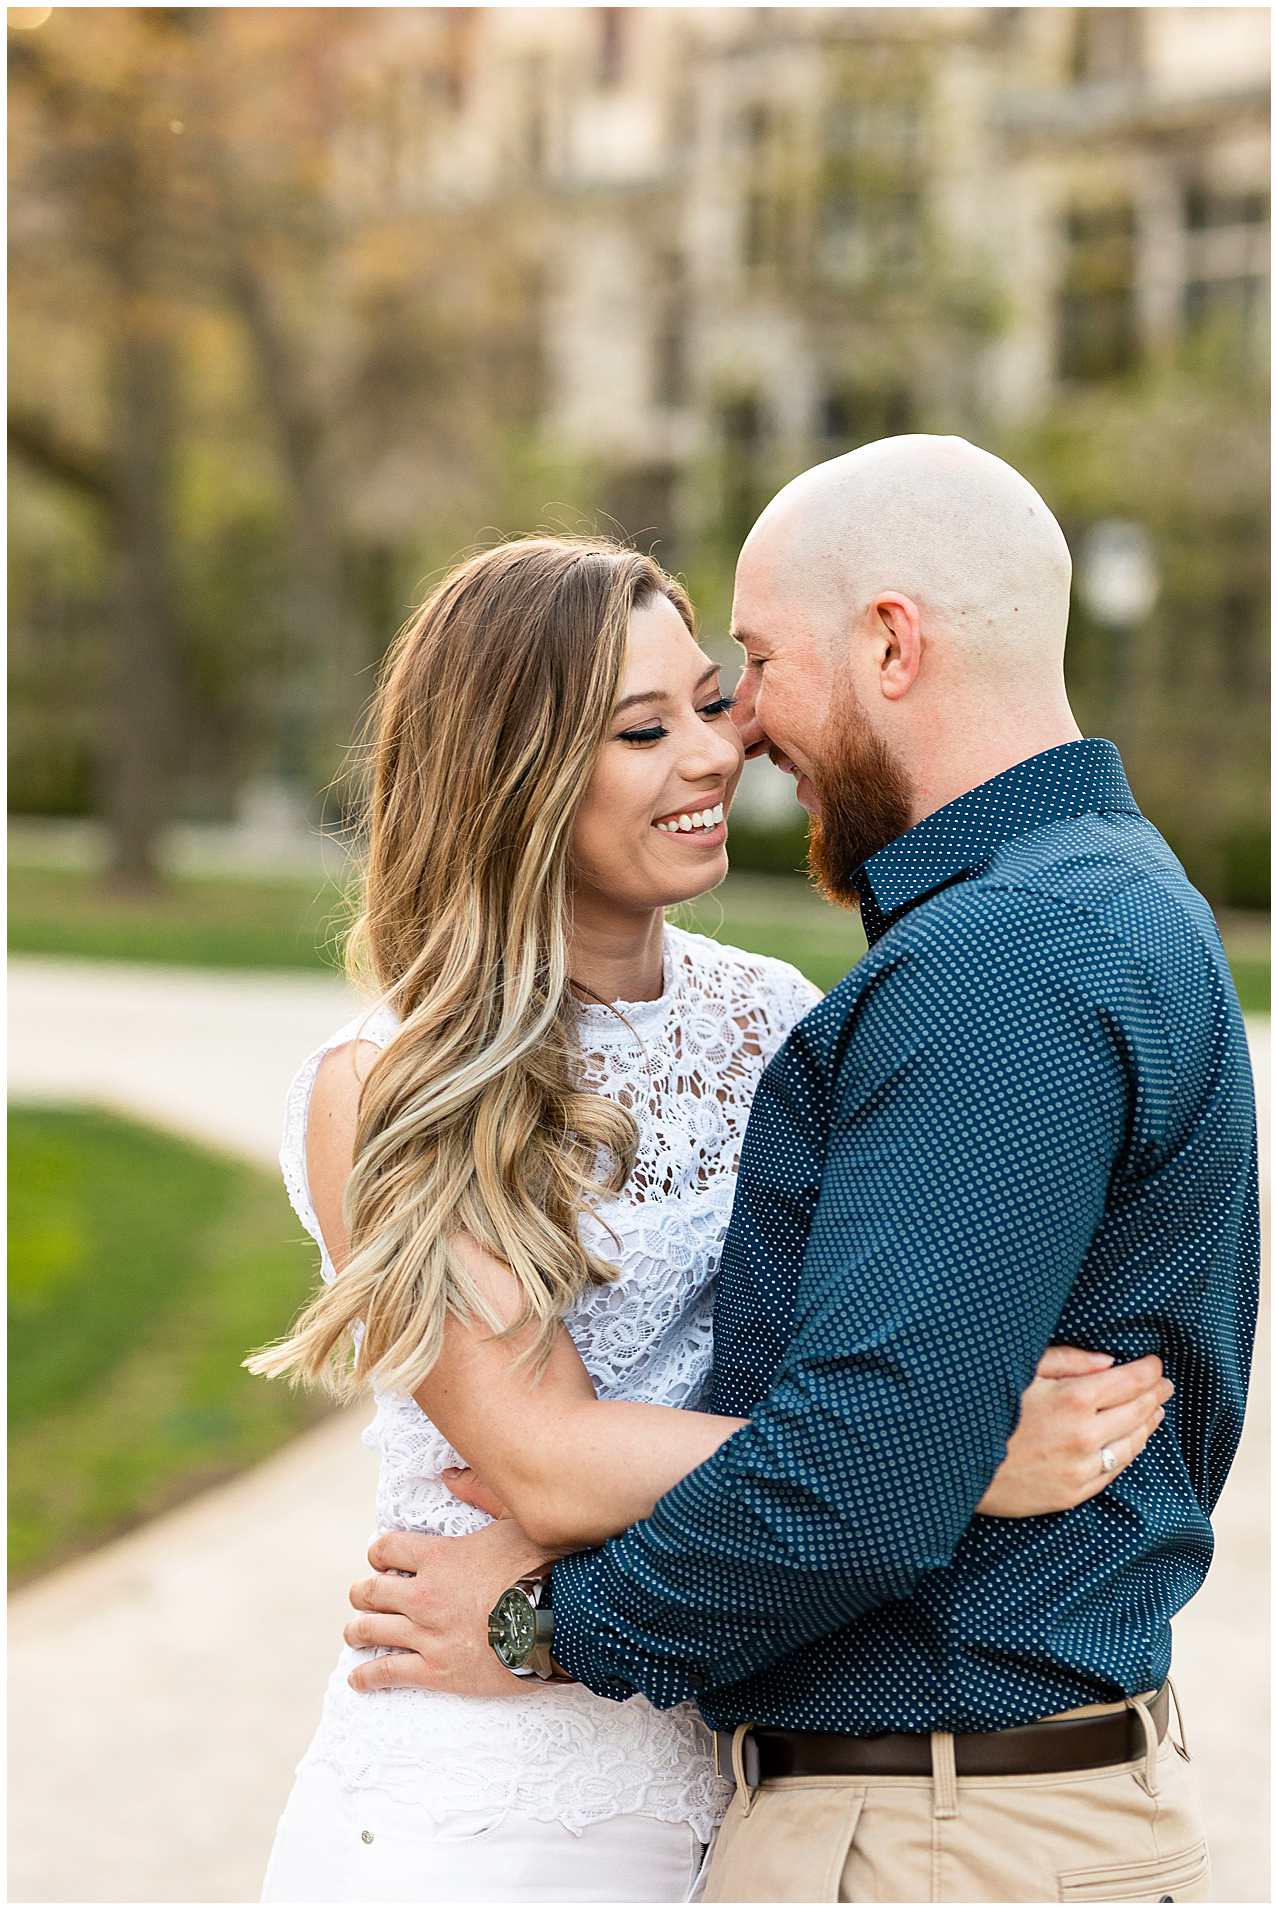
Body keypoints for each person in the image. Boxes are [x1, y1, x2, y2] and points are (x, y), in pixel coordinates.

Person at [349, 441, 1260, 1904]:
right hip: (960, 1813)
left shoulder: (999, 958)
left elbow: (861, 1472)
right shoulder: (1103, 895)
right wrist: (960, 1455)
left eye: (752, 665)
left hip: (936, 1829)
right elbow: (880, 1455)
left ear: (891, 642)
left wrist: (548, 1625)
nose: (741, 728)